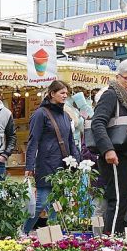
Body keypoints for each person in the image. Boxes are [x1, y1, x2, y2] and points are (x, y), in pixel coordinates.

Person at [92, 59, 127, 235]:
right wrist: (108, 149)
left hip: (122, 153)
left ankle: (115, 237)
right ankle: (111, 239)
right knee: (118, 199)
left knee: (121, 200)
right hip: (114, 153)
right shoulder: (111, 94)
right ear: (117, 77)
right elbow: (97, 122)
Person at [23, 80, 78, 234]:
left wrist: (76, 161)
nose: (65, 96)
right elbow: (33, 141)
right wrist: (29, 166)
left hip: (62, 167)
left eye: (66, 93)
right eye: (62, 93)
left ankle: (53, 237)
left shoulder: (66, 116)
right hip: (45, 165)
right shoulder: (40, 114)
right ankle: (23, 231)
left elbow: (70, 142)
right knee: (40, 203)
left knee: (57, 205)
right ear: (52, 94)